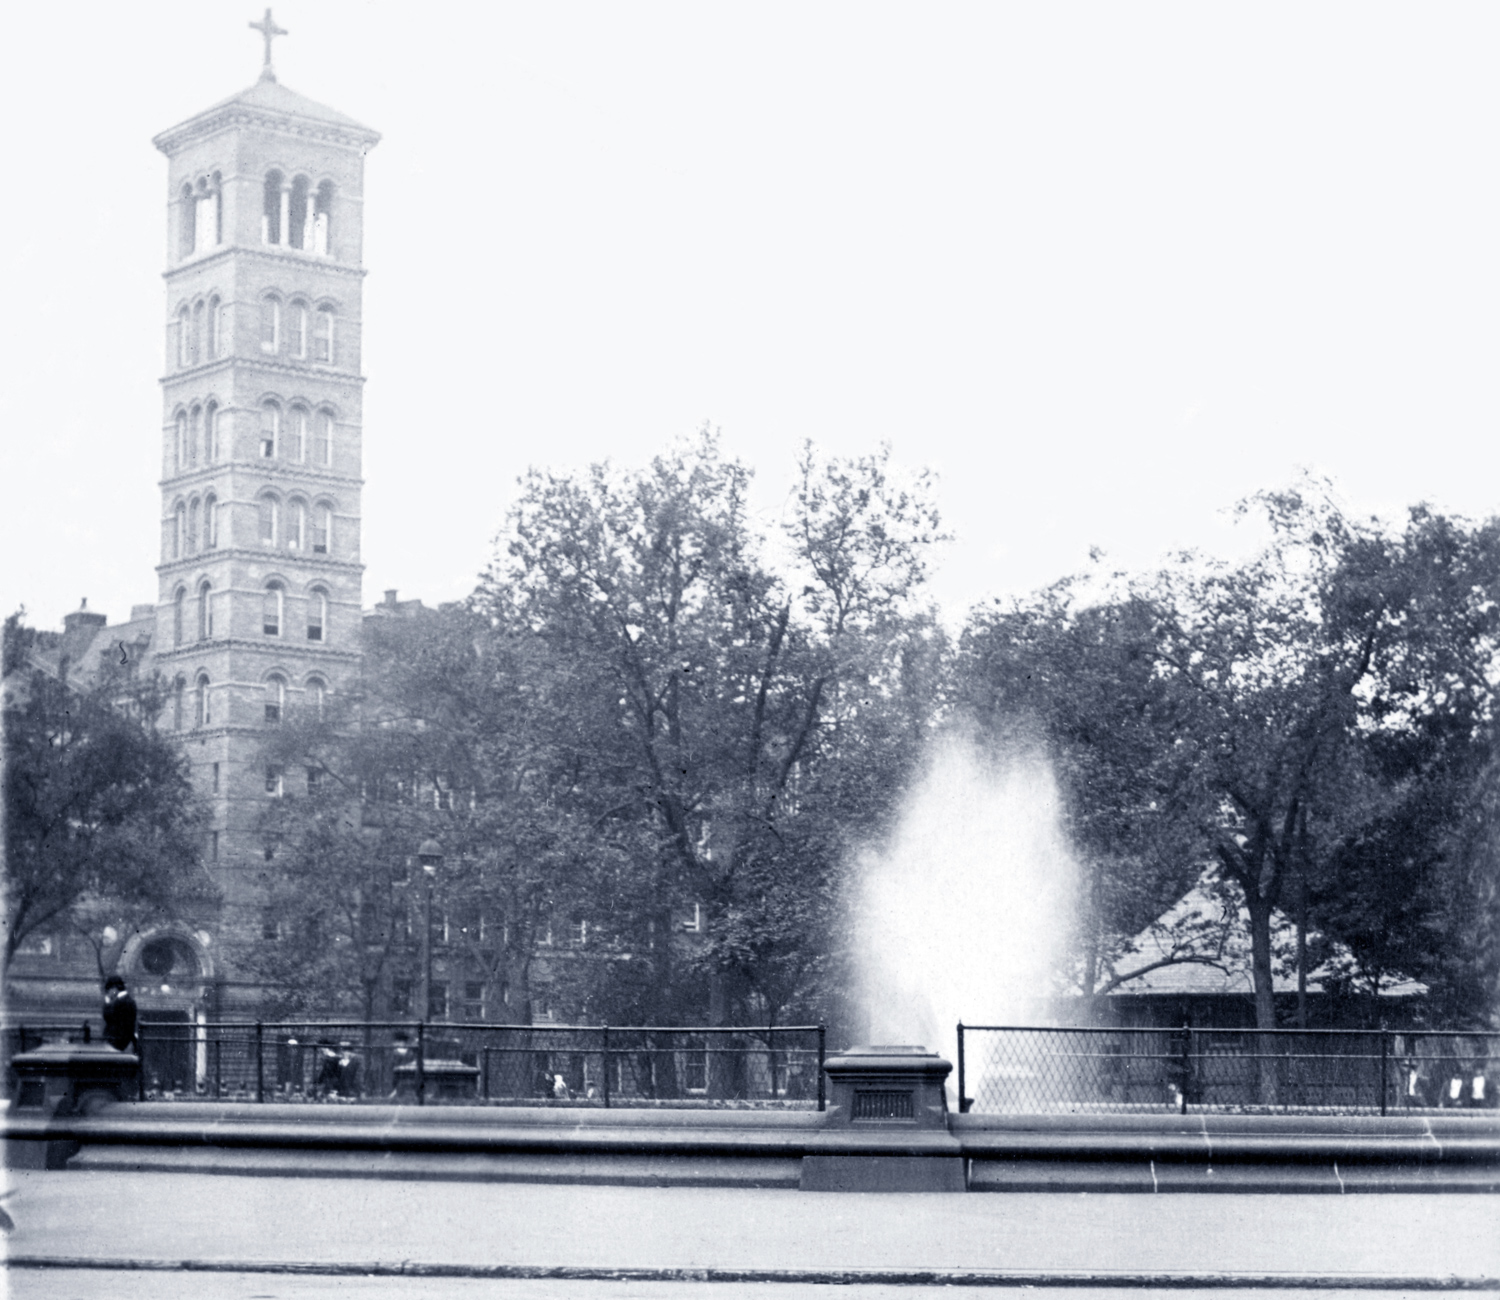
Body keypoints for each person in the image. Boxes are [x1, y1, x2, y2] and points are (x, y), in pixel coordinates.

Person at [102, 975, 138, 1053]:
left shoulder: (120, 1002)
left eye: (108, 991)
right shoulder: (127, 1000)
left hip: (116, 1045)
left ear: (114, 989)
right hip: (123, 1043)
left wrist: (107, 1002)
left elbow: (108, 1017)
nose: (108, 994)